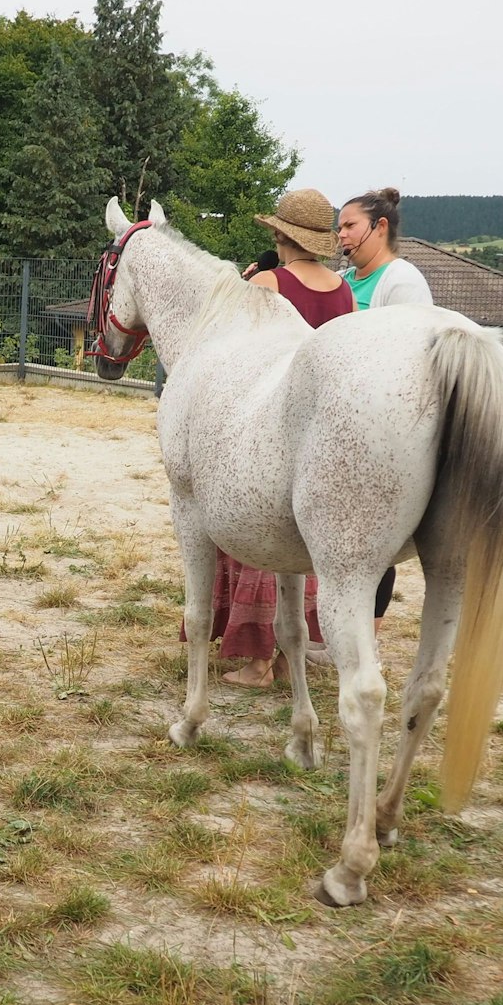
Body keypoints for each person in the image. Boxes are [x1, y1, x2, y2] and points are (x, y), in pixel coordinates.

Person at [200, 188, 355, 687]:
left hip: (270, 419)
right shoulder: (342, 288)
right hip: (321, 428)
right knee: (305, 548)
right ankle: (293, 656)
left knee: (257, 544)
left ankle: (257, 660)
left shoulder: (269, 281)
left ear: (279, 234)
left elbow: (237, 347)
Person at [338, 186, 435, 626]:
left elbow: (411, 357)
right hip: (342, 418)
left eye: (349, 226)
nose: (341, 235)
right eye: (338, 227)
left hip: (382, 424)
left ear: (380, 227)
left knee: (376, 537)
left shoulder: (403, 281)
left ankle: (368, 633)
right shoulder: (345, 281)